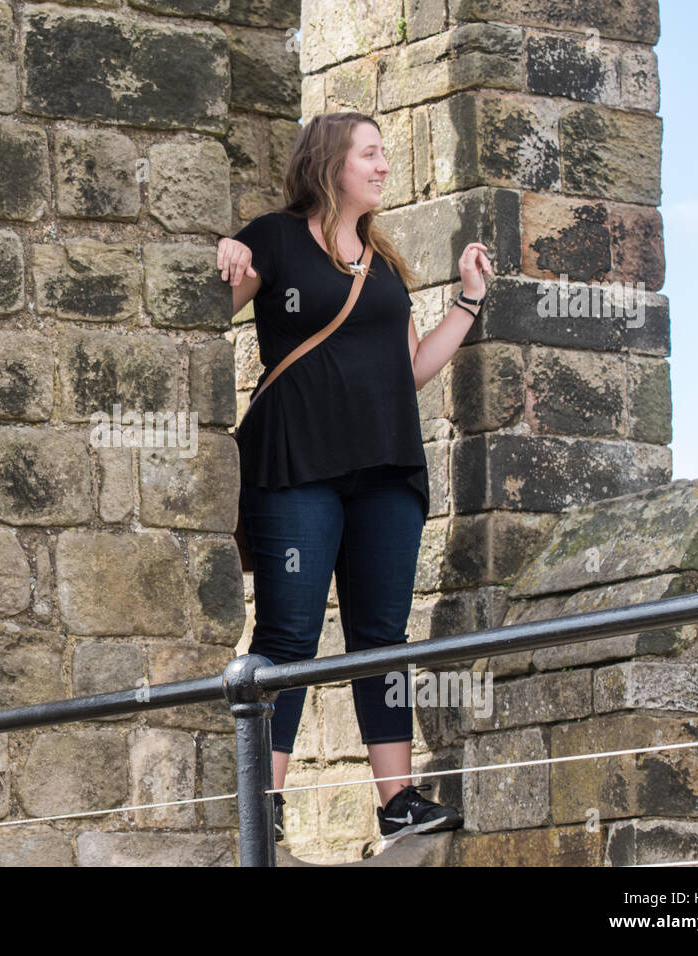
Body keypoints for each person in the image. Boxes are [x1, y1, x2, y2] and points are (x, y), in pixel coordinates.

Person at [215, 111, 492, 848]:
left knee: (382, 637)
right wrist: (224, 254)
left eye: (384, 154)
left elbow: (408, 372)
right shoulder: (273, 238)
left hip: (387, 471)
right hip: (297, 465)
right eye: (370, 153)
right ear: (332, 161)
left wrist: (467, 301)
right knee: (288, 635)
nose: (381, 165)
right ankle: (262, 801)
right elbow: (208, 312)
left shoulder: (384, 261)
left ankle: (397, 800)